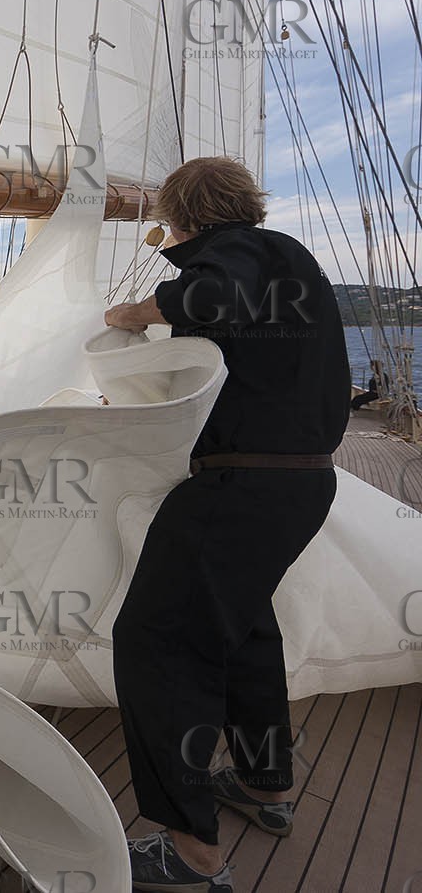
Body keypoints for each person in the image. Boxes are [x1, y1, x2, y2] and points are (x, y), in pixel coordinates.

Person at [102, 158, 349, 893]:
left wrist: (133, 315)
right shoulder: (288, 257)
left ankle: (189, 849)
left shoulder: (232, 252)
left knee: (157, 641)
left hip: (242, 482)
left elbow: (211, 296)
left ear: (185, 216)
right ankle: (266, 783)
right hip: (302, 482)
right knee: (243, 629)